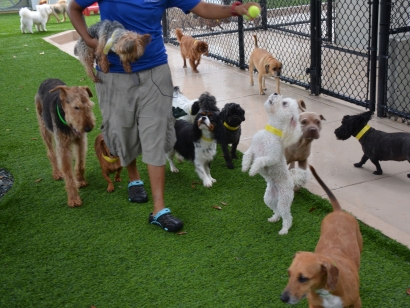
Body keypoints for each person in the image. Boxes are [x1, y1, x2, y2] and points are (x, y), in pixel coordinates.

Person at [68, 0, 261, 232]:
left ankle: (159, 209)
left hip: (154, 71)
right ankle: (133, 179)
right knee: (122, 129)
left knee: (156, 133)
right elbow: (74, 7)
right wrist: (90, 41)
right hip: (114, 74)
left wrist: (232, 9)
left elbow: (202, 8)